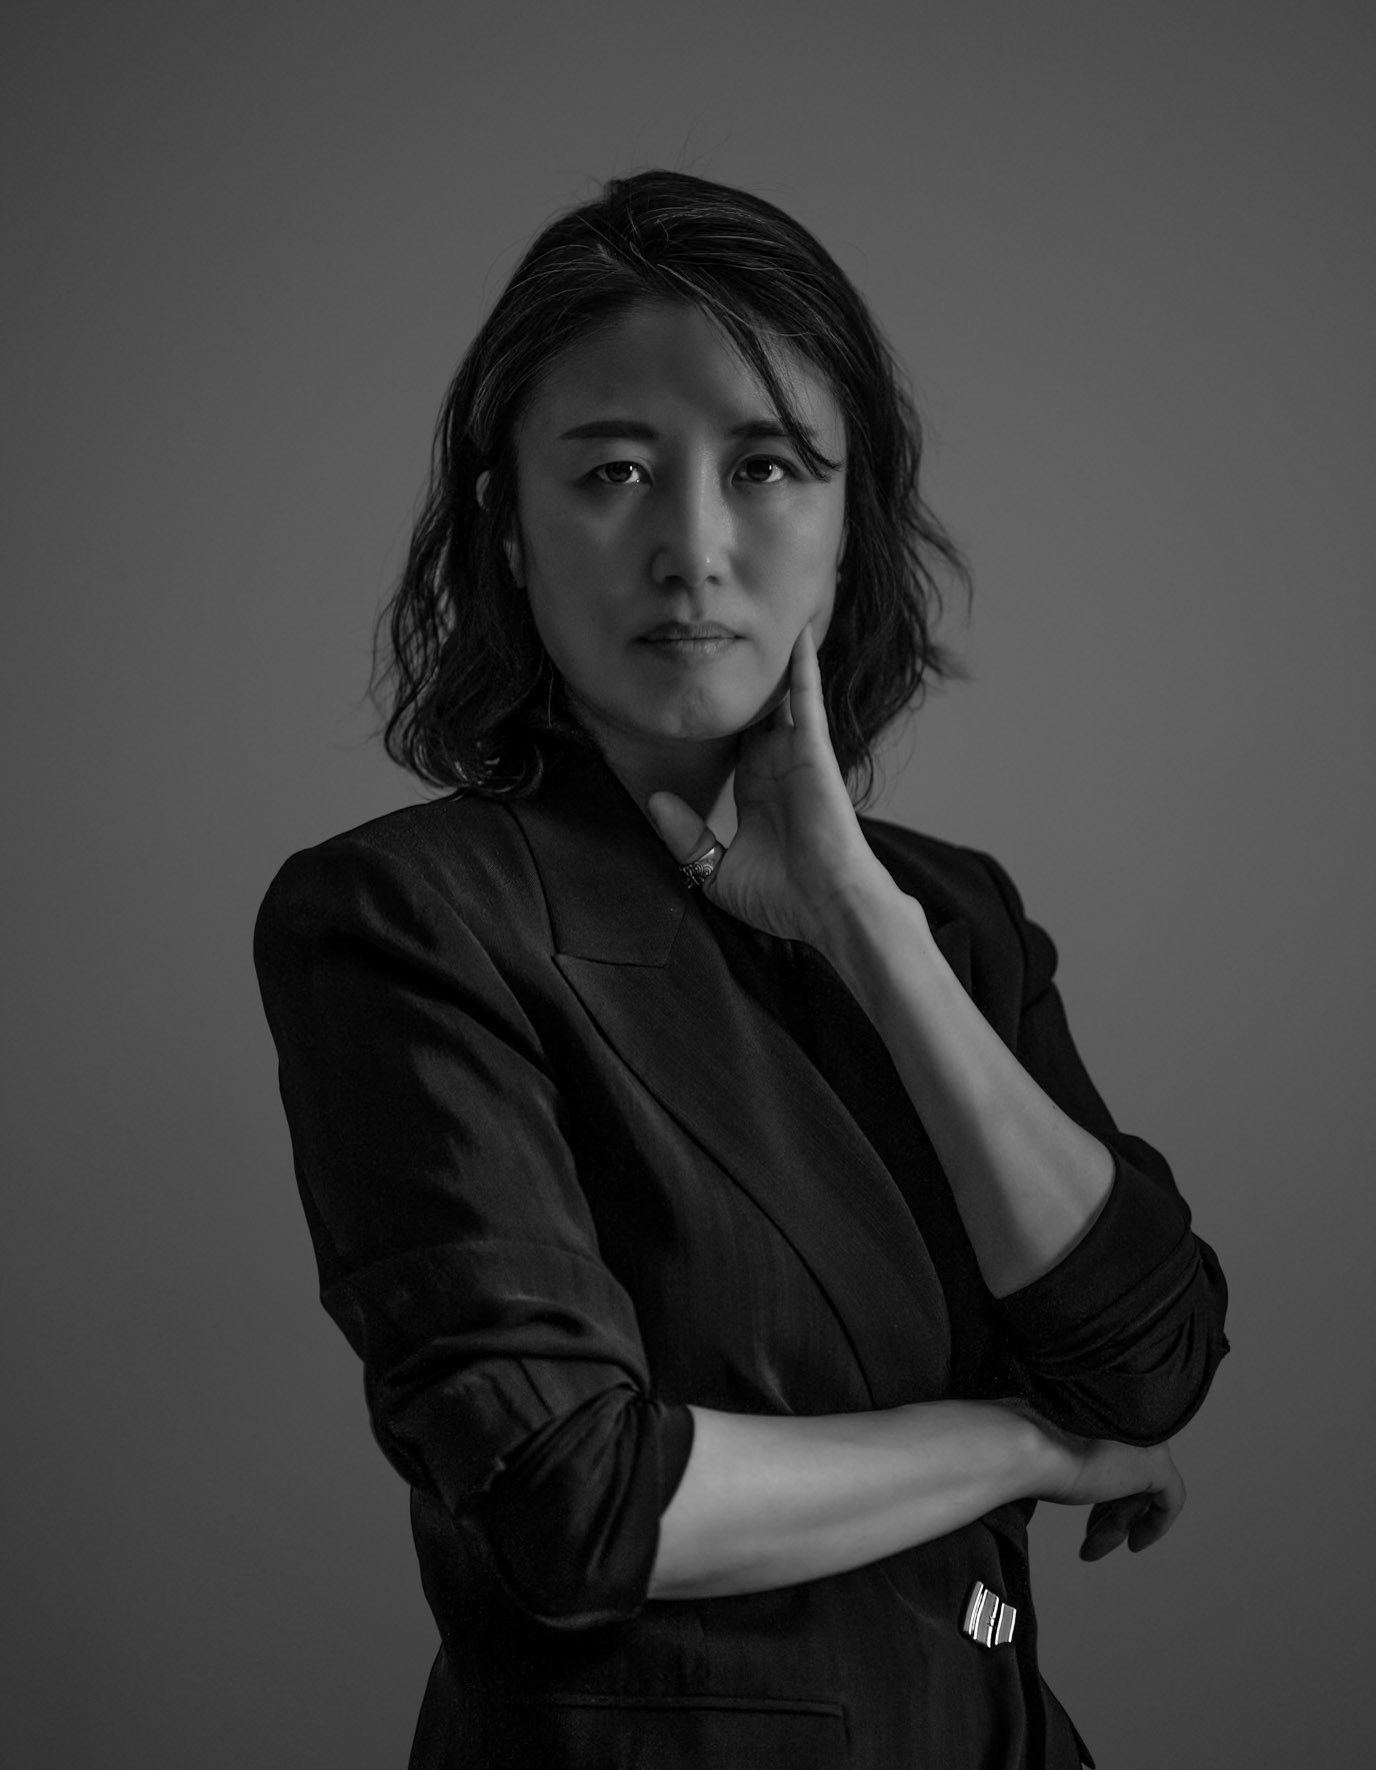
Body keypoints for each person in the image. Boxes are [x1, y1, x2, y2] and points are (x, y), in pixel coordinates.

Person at [254, 170, 1228, 1770]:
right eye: (612, 472)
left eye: (766, 466)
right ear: (508, 526)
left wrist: (857, 916)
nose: (692, 549)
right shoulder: (404, 916)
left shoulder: (950, 915)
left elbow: (1147, 1362)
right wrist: (1015, 1446)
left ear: (848, 526)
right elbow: (579, 1499)